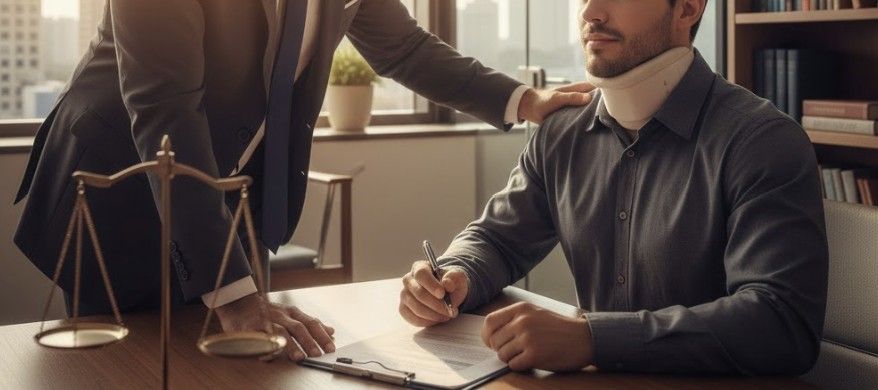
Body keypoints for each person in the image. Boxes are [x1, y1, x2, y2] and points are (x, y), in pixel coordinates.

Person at [13, 0, 592, 362]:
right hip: (118, 189)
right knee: (127, 365)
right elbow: (166, 115)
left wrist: (523, 100)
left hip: (227, 191)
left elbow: (406, 49)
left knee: (245, 357)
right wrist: (235, 295)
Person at [399, 0, 828, 375]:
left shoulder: (763, 141)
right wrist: (456, 274)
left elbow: (780, 324)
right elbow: (496, 239)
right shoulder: (560, 132)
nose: (589, 12)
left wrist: (592, 339)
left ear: (688, 8)